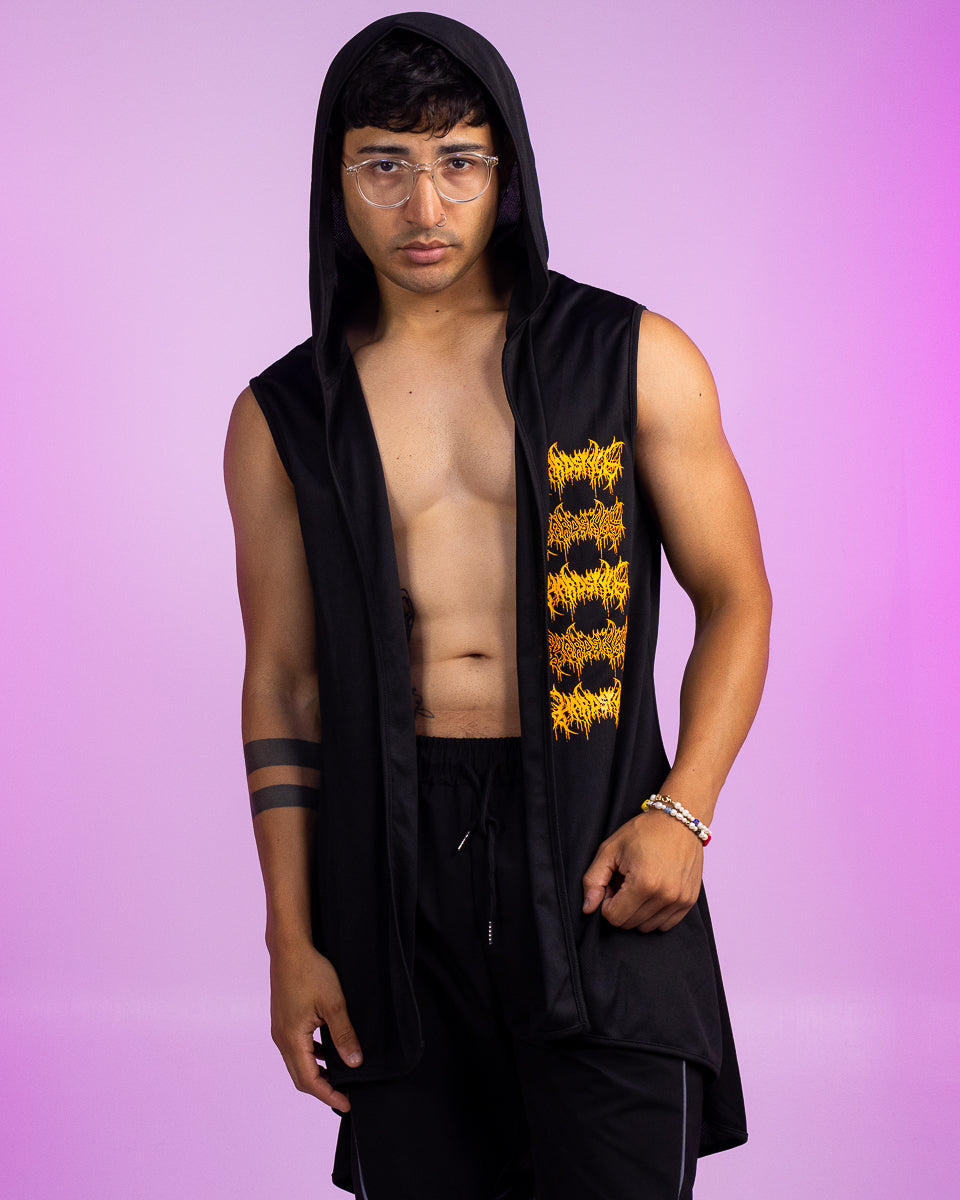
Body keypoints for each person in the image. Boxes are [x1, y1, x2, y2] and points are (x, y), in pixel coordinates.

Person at [224, 12, 771, 1199]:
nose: (424, 207)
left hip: (600, 844)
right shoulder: (284, 415)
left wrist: (686, 811)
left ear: (505, 170)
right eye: (384, 166)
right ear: (336, 181)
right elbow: (285, 683)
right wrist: (288, 937)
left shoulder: (631, 356)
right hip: (391, 877)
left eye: (458, 162)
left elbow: (735, 596)